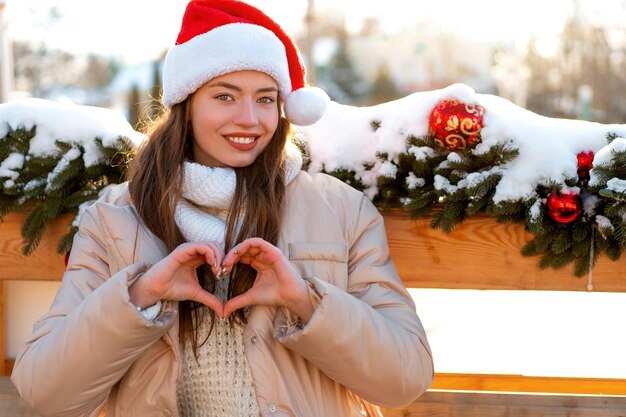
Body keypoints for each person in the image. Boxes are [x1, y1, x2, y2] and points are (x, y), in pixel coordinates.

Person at [11, 1, 434, 416]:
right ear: (187, 104)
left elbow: (404, 378)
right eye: (226, 96)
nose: (250, 118)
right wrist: (142, 296)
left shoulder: (340, 210)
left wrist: (304, 300)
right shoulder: (115, 219)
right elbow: (46, 395)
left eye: (266, 99)